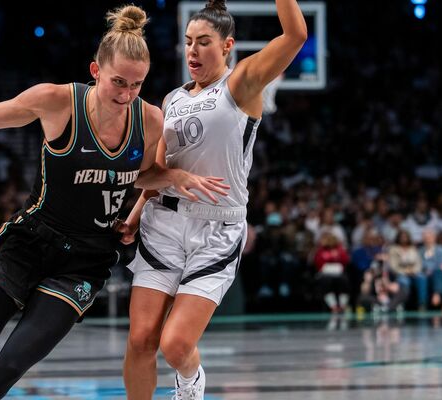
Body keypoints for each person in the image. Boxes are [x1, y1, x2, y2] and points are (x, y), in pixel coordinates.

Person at [0, 5, 228, 399]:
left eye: (137, 85)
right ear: (95, 71)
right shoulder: (57, 101)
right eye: (118, 82)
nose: (127, 95)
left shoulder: (151, 120)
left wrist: (172, 176)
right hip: (29, 242)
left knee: (8, 369)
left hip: (85, 260)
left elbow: (140, 176)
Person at [120, 1, 307, 398]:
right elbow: (151, 175)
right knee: (140, 341)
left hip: (216, 229)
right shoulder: (171, 101)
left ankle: (190, 381)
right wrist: (136, 215)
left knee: (176, 346)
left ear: (227, 46)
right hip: (163, 225)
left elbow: (296, 36)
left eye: (204, 42)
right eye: (188, 42)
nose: (193, 51)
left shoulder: (242, 84)